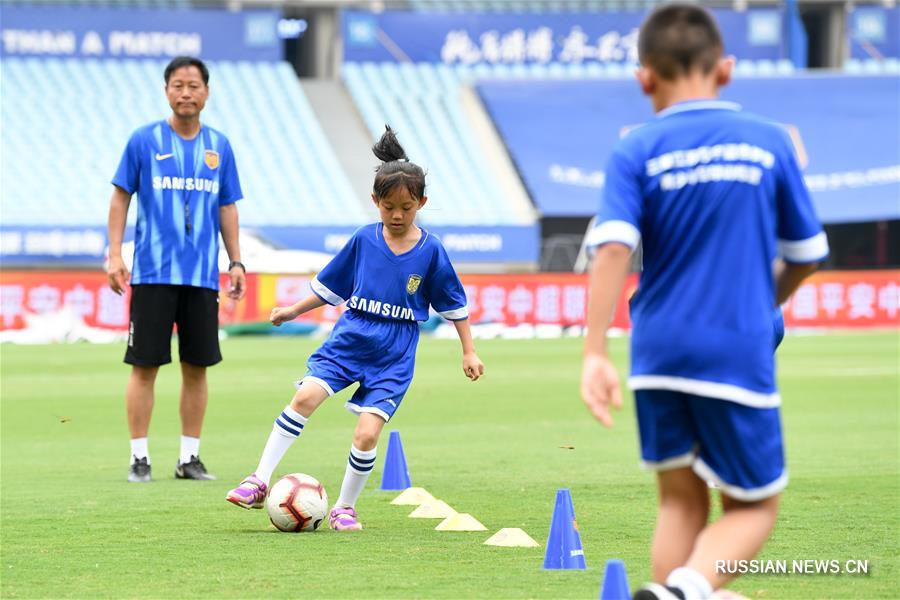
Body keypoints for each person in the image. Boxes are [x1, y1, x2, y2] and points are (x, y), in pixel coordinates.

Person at [580, 6, 827, 599]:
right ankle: (686, 590)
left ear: (644, 78)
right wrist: (756, 304)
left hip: (656, 345)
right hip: (735, 346)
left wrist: (594, 352)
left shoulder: (635, 147)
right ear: (728, 69)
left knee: (680, 499)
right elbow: (808, 251)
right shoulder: (771, 141)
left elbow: (612, 247)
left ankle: (674, 590)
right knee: (754, 505)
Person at [226, 126, 484, 531]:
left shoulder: (431, 251)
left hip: (395, 353)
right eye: (388, 207)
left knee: (366, 435)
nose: (397, 215)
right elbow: (330, 287)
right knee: (305, 397)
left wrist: (468, 351)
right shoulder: (364, 240)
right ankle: (258, 479)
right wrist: (292, 310)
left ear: (422, 203)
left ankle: (344, 507)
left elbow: (454, 305)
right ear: (375, 202)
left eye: (407, 207)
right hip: (350, 339)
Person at [107, 56, 246, 484]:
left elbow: (227, 206)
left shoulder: (219, 146)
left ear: (207, 92)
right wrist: (115, 254)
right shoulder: (143, 140)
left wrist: (235, 260)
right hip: (152, 274)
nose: (186, 92)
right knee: (145, 366)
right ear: (167, 90)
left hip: (202, 276)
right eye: (178, 85)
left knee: (196, 367)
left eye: (193, 85)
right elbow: (119, 198)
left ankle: (189, 458)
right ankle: (139, 458)